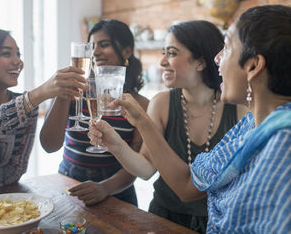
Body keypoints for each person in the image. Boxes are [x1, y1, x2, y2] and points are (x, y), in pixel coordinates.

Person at [89, 5, 291, 233]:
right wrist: (136, 127)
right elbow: (187, 184)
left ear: (253, 66)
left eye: (226, 47)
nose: (217, 59)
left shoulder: (289, 148)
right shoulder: (251, 127)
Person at [90, 20, 246, 233]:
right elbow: (145, 169)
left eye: (171, 53)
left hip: (218, 222)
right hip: (163, 217)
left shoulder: (238, 110)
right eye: (163, 52)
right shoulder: (162, 103)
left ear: (200, 62)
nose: (162, 62)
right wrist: (113, 143)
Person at [0, 27, 85, 192]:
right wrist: (38, 93)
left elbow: (14, 172)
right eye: (7, 53)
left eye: (18, 54)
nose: (18, 62)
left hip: (3, 202)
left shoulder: (27, 107)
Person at [40, 19, 149, 206]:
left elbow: (139, 163)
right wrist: (63, 94)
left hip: (117, 193)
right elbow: (49, 146)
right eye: (92, 46)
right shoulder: (72, 95)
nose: (96, 51)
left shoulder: (140, 105)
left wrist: (104, 188)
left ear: (127, 51)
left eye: (104, 45)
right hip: (68, 186)